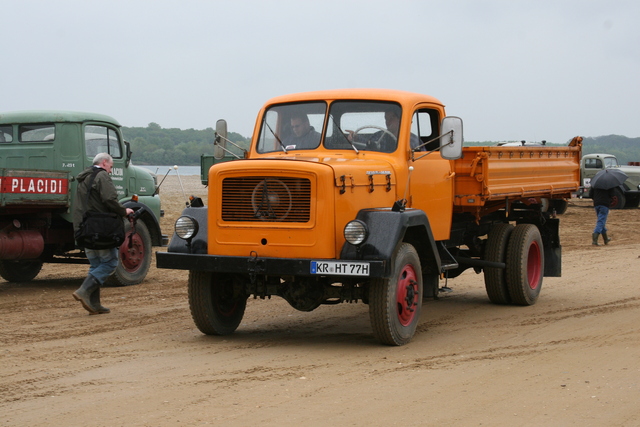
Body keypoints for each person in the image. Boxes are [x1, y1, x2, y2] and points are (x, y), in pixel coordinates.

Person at [72, 153, 134, 314]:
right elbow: (109, 199)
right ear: (104, 163)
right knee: (110, 263)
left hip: (85, 228)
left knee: (96, 265)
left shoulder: (84, 178)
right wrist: (124, 211)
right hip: (101, 229)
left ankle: (94, 304)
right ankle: (83, 291)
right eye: (111, 167)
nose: (111, 171)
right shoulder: (102, 176)